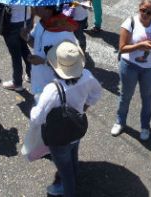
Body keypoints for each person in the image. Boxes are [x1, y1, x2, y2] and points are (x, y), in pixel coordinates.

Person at [30, 41, 102, 197]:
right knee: (73, 153)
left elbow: (37, 117)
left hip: (59, 135)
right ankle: (74, 176)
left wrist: (36, 102)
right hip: (76, 126)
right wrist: (84, 108)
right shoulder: (87, 76)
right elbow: (96, 94)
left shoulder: (52, 90)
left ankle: (68, 189)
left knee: (64, 169)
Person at [112, 0, 151, 141]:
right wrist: (139, 46)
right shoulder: (130, 22)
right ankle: (120, 121)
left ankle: (144, 126)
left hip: (150, 68)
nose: (145, 14)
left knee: (147, 97)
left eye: (150, 12)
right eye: (143, 10)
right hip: (129, 65)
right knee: (126, 96)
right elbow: (122, 48)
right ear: (139, 7)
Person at [26, 5, 79, 99]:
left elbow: (70, 64)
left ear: (49, 9)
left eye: (38, 5)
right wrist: (27, 38)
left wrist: (43, 61)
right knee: (39, 98)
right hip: (39, 76)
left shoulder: (64, 34)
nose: (33, 7)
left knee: (51, 104)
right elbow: (34, 44)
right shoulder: (41, 23)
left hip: (55, 83)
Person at [1, 3, 34, 92]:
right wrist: (31, 21)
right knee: (24, 48)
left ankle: (17, 83)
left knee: (16, 56)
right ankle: (31, 74)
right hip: (26, 20)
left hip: (12, 24)